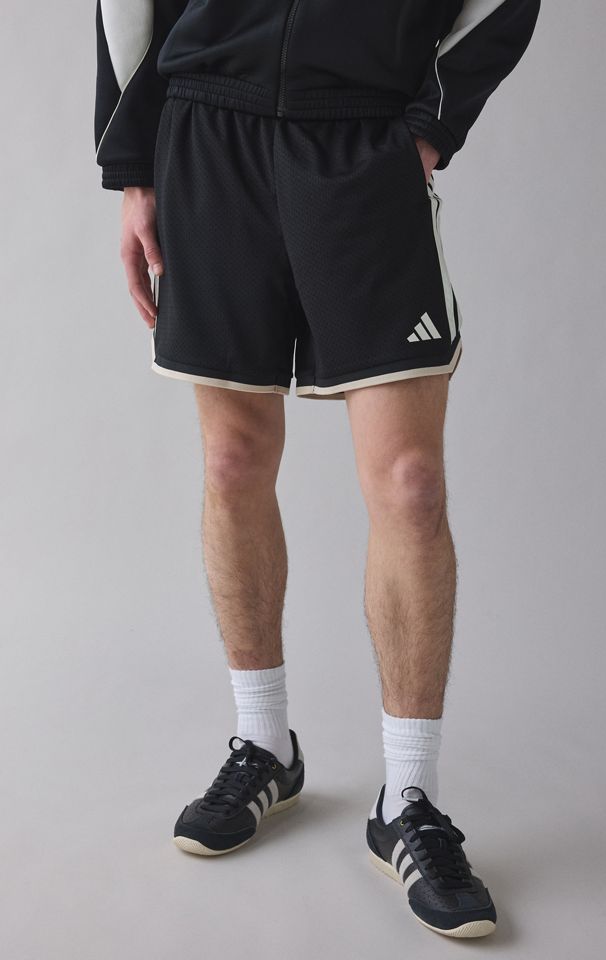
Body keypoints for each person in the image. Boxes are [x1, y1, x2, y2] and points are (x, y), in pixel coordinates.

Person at [95, 0, 540, 938]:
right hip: (209, 130)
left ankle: (408, 799)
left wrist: (431, 122)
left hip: (360, 137)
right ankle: (265, 745)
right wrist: (133, 164)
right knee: (232, 461)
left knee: (410, 485)